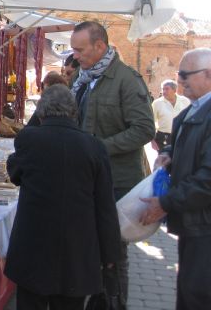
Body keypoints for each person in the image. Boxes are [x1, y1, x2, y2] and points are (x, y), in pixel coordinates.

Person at [5, 84, 121, 310]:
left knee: (30, 303)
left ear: (41, 112)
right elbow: (105, 205)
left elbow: (15, 174)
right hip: (78, 251)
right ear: (74, 111)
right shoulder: (94, 146)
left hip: (34, 249)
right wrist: (110, 255)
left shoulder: (29, 139)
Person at [70, 20, 155, 306]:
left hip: (117, 183)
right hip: (86, 182)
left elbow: (144, 129)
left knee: (113, 257)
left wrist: (98, 149)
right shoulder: (82, 79)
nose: (76, 56)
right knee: (90, 253)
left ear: (100, 46)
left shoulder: (127, 80)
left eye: (80, 50)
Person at [140, 48, 211, 310]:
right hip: (193, 222)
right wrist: (170, 154)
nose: (179, 81)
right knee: (188, 291)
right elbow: (185, 146)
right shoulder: (194, 109)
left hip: (204, 225)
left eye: (184, 75)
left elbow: (207, 180)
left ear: (208, 74)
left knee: (197, 295)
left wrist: (166, 203)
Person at [152, 79, 190, 150]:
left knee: (180, 160)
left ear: (174, 90)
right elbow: (151, 122)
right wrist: (152, 140)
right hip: (163, 138)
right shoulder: (157, 103)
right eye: (163, 89)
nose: (164, 92)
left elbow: (190, 119)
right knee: (164, 160)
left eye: (167, 89)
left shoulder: (185, 101)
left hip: (182, 136)